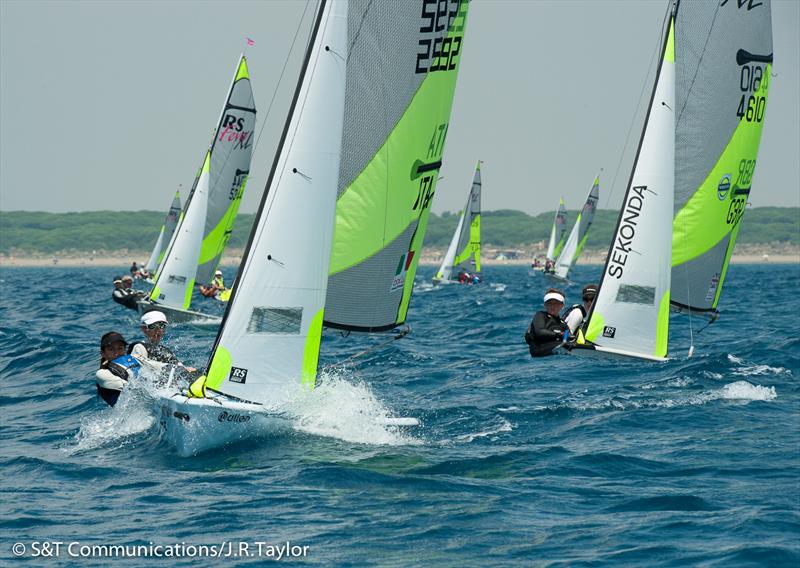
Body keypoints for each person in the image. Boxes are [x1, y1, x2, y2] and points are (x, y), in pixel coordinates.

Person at [128, 311, 197, 381]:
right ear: (144, 329)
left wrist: (186, 369)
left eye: (162, 326)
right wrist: (168, 367)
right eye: (153, 326)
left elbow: (179, 366)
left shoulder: (165, 351)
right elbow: (142, 364)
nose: (158, 330)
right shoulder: (139, 347)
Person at [96, 332, 140, 407]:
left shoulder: (134, 362)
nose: (116, 353)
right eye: (111, 349)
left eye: (120, 348)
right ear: (103, 354)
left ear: (125, 350)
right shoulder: (102, 374)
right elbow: (132, 388)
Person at [525, 288, 570, 357]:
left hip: (557, 352)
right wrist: (559, 334)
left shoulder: (563, 324)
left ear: (562, 305)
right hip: (540, 351)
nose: (552, 306)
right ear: (545, 305)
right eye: (549, 303)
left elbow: (569, 337)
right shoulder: (540, 315)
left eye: (556, 303)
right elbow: (539, 332)